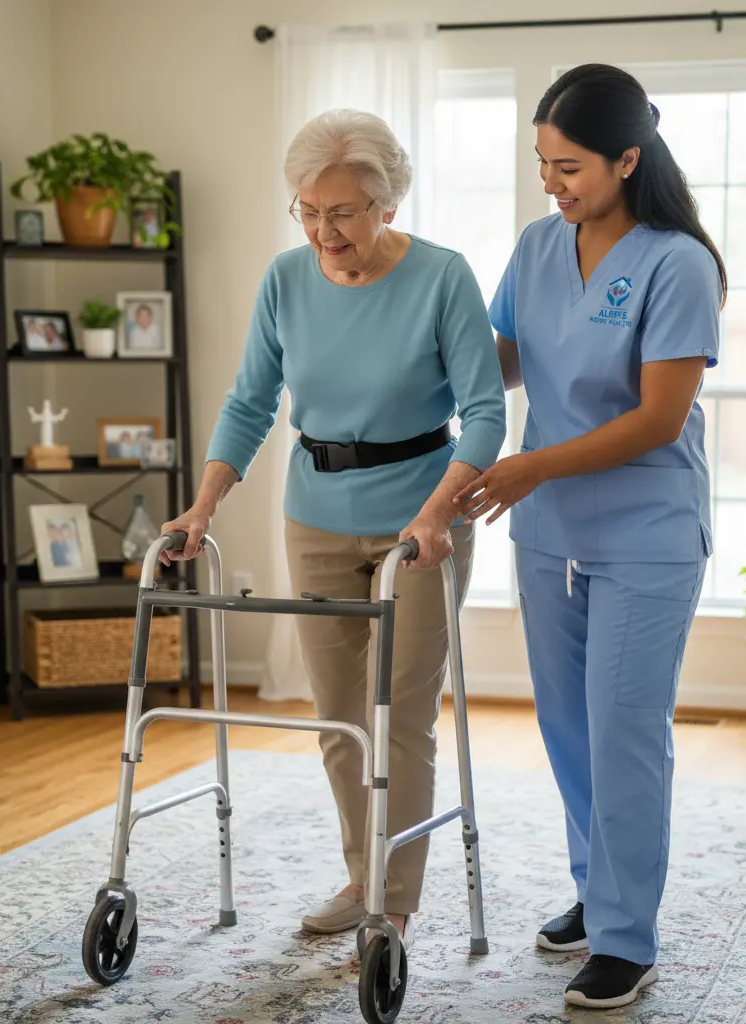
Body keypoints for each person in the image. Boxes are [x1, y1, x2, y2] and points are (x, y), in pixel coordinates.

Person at [160, 108, 506, 952]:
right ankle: (364, 873)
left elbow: (487, 411)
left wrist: (437, 510)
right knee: (340, 717)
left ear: (388, 204)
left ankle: (393, 904)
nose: (324, 230)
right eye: (308, 211)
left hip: (421, 524)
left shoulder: (440, 277)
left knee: (401, 716)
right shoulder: (286, 279)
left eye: (343, 211)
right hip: (314, 515)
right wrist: (203, 505)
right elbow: (250, 402)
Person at [456, 64, 726, 1010]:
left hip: (646, 528)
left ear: (627, 158)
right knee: (568, 728)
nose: (552, 182)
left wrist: (531, 467)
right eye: (542, 163)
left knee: (623, 733)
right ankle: (594, 888)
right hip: (547, 527)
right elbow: (506, 360)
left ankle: (626, 935)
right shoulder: (537, 247)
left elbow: (658, 418)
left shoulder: (677, 262)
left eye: (569, 165)